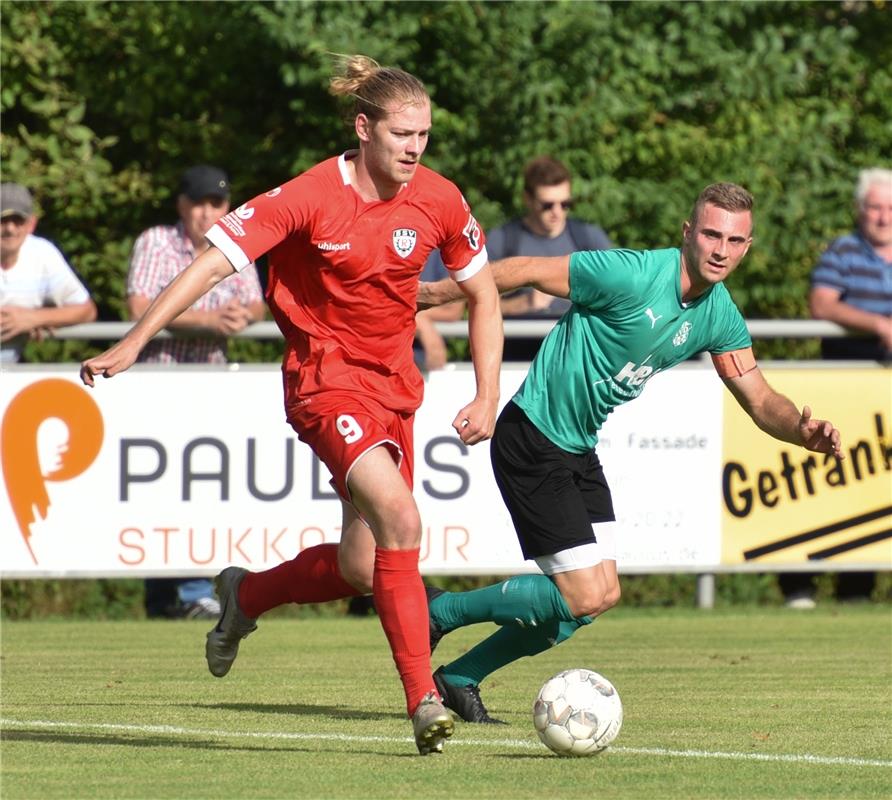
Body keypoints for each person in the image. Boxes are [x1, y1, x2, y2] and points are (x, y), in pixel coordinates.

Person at [81, 54, 503, 755]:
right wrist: (135, 341)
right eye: (403, 133)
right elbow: (215, 261)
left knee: (363, 566)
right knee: (402, 518)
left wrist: (488, 393)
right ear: (363, 128)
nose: (415, 147)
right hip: (324, 383)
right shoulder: (307, 195)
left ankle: (244, 597)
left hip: (395, 388)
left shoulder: (439, 199)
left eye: (424, 134)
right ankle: (423, 699)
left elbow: (484, 294)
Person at [417, 182, 844, 724]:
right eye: (711, 234)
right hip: (532, 437)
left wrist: (801, 432)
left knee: (596, 598)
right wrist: (432, 296)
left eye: (734, 241)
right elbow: (521, 268)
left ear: (747, 247)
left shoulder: (718, 314)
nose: (720, 249)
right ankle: (441, 610)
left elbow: (759, 398)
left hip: (577, 449)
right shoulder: (632, 274)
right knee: (581, 594)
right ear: (688, 233)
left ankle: (459, 677)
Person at [129, 165, 266, 620]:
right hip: (160, 384)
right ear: (182, 205)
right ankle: (170, 594)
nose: (208, 213)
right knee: (161, 491)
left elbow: (255, 299)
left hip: (210, 388)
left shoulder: (237, 240)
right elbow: (139, 305)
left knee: (199, 489)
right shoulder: (155, 242)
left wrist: (242, 314)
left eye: (218, 204)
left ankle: (186, 593)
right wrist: (209, 319)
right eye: (199, 203)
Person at [778, 167, 891, 608]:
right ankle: (798, 586)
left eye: (888, 208)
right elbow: (822, 301)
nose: (882, 217)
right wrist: (879, 323)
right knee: (828, 485)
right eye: (874, 207)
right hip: (848, 386)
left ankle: (857, 590)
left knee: (874, 493)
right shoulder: (843, 250)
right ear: (861, 211)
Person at [488, 156, 613, 361]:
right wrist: (525, 303)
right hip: (518, 355)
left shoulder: (588, 238)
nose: (556, 212)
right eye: (547, 205)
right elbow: (477, 305)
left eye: (565, 204)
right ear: (527, 199)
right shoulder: (503, 240)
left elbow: (616, 294)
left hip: (579, 352)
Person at [1, 182, 97, 363]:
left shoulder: (42, 252)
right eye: (2, 220)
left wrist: (35, 318)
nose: (10, 228)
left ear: (31, 224)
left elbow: (86, 310)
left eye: (18, 220)